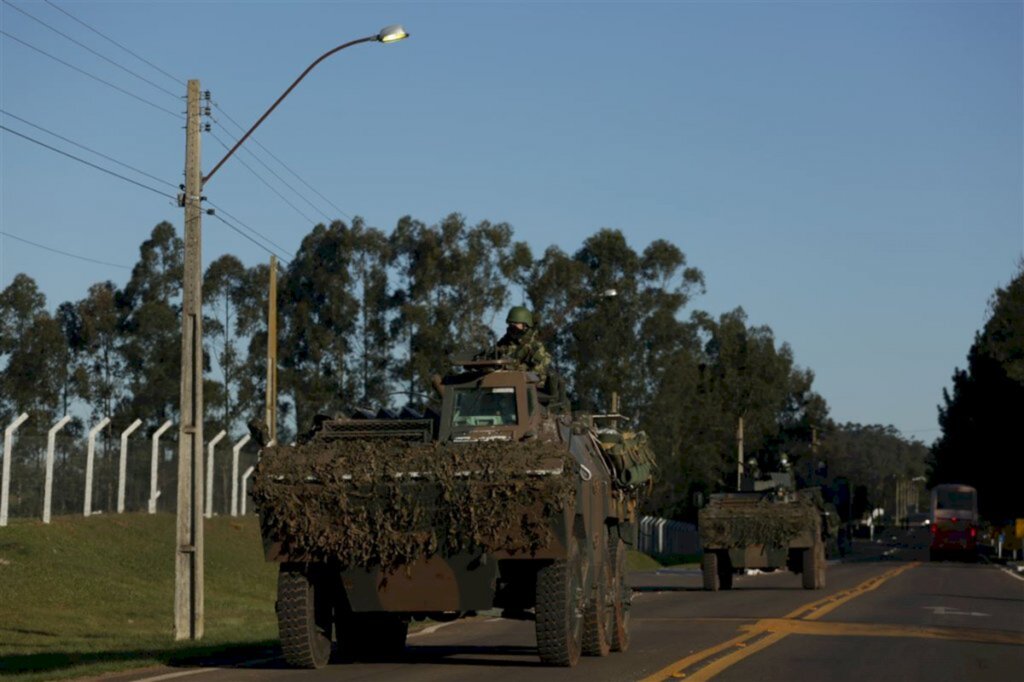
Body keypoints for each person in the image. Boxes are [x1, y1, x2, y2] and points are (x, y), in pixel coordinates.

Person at [495, 306, 551, 383]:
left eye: (516, 323)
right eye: (510, 324)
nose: (512, 326)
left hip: (526, 391)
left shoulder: (535, 347)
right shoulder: (504, 342)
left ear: (525, 325)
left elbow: (537, 377)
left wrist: (516, 370)